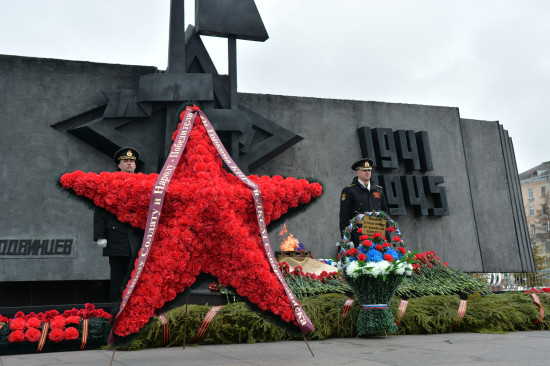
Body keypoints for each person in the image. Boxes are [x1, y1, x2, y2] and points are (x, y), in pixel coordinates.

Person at [93, 147, 144, 302]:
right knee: (118, 280)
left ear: (135, 165)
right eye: (125, 161)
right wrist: (100, 235)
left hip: (138, 240)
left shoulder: (143, 183)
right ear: (119, 165)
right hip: (116, 239)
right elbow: (100, 210)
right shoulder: (110, 183)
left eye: (131, 161)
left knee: (137, 280)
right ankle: (115, 312)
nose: (129, 164)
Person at [339, 158, 389, 236]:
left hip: (378, 236)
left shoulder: (379, 190)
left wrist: (387, 234)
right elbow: (344, 218)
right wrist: (347, 239)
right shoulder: (349, 191)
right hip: (359, 236)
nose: (367, 172)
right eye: (364, 170)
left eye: (369, 170)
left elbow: (385, 214)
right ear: (357, 172)